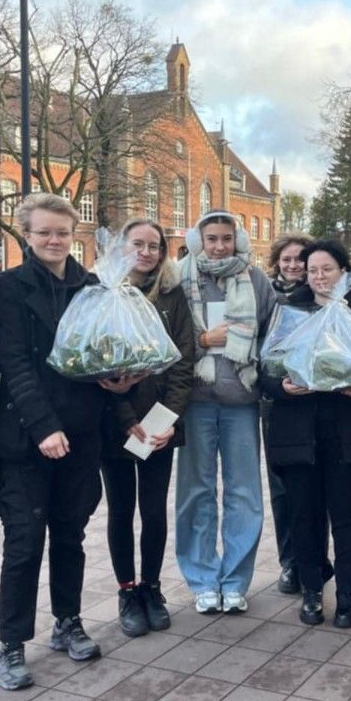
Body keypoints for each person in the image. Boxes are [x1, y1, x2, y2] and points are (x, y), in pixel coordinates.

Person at [0, 192, 130, 690]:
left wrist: (121, 378)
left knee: (70, 535)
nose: (54, 240)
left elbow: (105, 350)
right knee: (25, 543)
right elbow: (14, 364)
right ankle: (11, 644)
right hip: (29, 437)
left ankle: (67, 621)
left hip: (83, 432)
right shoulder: (7, 287)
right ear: (26, 235)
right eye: (44, 232)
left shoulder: (92, 285)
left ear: (75, 236)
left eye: (63, 232)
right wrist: (43, 426)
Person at [261, 238, 351, 628]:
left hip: (348, 429)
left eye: (326, 269)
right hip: (298, 430)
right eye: (312, 270)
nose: (318, 276)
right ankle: (313, 589)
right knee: (305, 514)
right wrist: (282, 388)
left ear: (343, 271)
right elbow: (264, 370)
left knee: (349, 514)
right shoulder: (287, 310)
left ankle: (348, 592)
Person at [176, 210, 277, 614]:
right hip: (196, 401)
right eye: (212, 238)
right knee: (195, 493)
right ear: (199, 240)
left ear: (239, 241)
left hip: (241, 401)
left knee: (244, 494)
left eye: (226, 238)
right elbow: (167, 338)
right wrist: (202, 339)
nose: (219, 245)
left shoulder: (256, 281)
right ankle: (202, 579)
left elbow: (273, 336)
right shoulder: (180, 277)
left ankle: (235, 580)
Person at [100, 217, 195, 636]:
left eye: (154, 245)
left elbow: (183, 361)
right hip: (116, 422)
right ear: (122, 247)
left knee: (154, 511)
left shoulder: (172, 297)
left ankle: (152, 587)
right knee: (121, 510)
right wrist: (126, 419)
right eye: (137, 243)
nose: (146, 252)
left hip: (159, 424)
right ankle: (127, 590)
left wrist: (167, 420)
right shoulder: (103, 295)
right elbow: (98, 364)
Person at [263, 231, 313, 594]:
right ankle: (290, 562)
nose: (294, 265)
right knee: (281, 489)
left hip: (315, 405)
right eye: (287, 259)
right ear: (277, 263)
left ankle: (313, 559)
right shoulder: (267, 299)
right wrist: (277, 386)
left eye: (300, 259)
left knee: (316, 489)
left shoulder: (325, 298)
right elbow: (257, 356)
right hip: (278, 404)